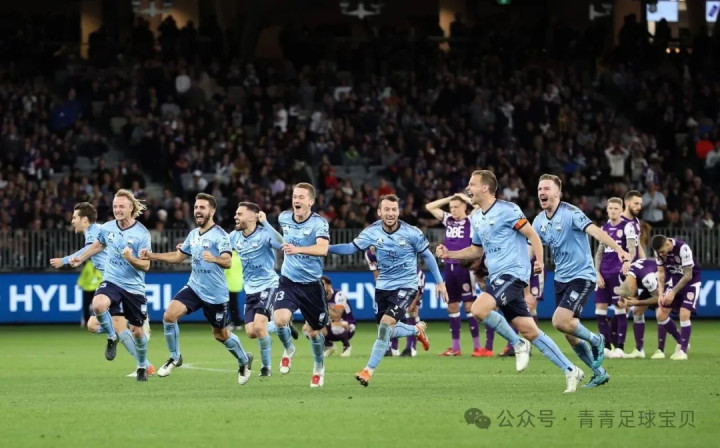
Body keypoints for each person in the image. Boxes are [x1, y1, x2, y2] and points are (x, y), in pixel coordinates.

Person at [437, 170, 585, 393]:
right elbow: (476, 250)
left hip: (514, 274)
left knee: (478, 309)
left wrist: (540, 261)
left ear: (485, 187)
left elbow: (533, 235)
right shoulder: (476, 218)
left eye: (472, 184)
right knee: (531, 331)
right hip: (498, 277)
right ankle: (571, 369)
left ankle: (517, 343)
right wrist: (451, 254)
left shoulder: (508, 210)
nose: (468, 188)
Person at [328, 194, 447, 386]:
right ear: (379, 212)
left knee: (385, 325)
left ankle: (367, 371)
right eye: (386, 210)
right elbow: (350, 248)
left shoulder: (412, 232)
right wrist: (325, 248)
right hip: (383, 287)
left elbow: (428, 256)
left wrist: (440, 282)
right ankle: (416, 330)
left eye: (394, 210)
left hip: (406, 285)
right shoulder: (372, 232)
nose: (390, 213)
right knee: (385, 332)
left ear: (398, 212)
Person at [141, 193, 254, 384]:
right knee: (169, 316)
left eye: (202, 207)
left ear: (212, 211)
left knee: (220, 334)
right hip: (194, 287)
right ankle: (175, 357)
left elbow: (227, 261)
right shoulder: (193, 234)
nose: (198, 211)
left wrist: (214, 258)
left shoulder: (221, 235)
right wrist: (152, 256)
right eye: (196, 207)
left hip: (215, 294)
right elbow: (178, 257)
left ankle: (244, 360)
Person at [533, 174, 632, 388]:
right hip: (560, 279)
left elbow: (595, 231)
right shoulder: (539, 221)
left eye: (547, 188)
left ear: (558, 192)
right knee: (569, 332)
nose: (542, 192)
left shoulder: (571, 213)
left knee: (559, 321)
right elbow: (531, 246)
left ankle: (596, 339)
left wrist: (618, 249)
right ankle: (599, 373)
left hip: (581, 275)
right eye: (540, 189)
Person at [69, 190, 154, 381]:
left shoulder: (142, 234)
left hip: (133, 287)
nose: (117, 209)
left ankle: (143, 366)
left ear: (131, 208)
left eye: (121, 206)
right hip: (112, 281)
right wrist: (80, 257)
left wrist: (130, 258)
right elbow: (99, 245)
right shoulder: (107, 228)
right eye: (115, 206)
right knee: (98, 305)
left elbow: (146, 265)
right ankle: (111, 337)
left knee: (138, 333)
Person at [229, 202, 296, 377]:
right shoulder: (234, 237)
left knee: (260, 326)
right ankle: (283, 324)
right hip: (250, 290)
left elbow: (281, 243)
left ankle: (266, 367)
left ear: (252, 217)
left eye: (239, 214)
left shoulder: (264, 234)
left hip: (269, 285)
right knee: (251, 332)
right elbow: (217, 246)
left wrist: (265, 223)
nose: (236, 216)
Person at [275, 183, 331, 388]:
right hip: (289, 281)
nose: (296, 200)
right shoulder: (284, 218)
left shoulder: (319, 223)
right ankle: (289, 349)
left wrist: (297, 249)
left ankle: (318, 367)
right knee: (280, 319)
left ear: (311, 201)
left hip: (311, 286)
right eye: (294, 196)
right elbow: (278, 238)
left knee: (314, 332)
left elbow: (323, 249)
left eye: (301, 197)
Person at [425, 194, 486, 357]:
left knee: (469, 305)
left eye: (456, 206)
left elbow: (480, 206)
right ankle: (455, 347)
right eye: (451, 207)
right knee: (452, 305)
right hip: (449, 266)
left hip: (465, 266)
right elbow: (429, 207)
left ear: (464, 207)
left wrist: (464, 198)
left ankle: (477, 347)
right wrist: (450, 198)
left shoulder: (471, 219)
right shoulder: (448, 220)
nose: (452, 210)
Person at [593, 197, 638, 358]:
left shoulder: (627, 226)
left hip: (618, 273)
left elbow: (632, 249)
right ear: (607, 210)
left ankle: (620, 347)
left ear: (621, 210)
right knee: (600, 309)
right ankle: (606, 346)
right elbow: (599, 253)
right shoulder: (604, 228)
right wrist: (597, 272)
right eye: (610, 208)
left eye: (616, 209)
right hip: (603, 273)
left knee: (620, 307)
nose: (613, 211)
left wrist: (627, 262)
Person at [365, 247, 424, 357]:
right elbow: (377, 277)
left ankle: (411, 347)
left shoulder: (392, 247)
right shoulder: (369, 254)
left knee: (411, 310)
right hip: (390, 283)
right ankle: (392, 347)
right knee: (389, 314)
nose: (372, 248)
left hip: (411, 277)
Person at [650, 235, 701, 360]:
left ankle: (683, 351)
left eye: (662, 251)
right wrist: (660, 294)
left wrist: (672, 292)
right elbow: (661, 273)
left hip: (691, 284)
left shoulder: (683, 248)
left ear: (668, 244)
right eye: (659, 252)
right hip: (674, 283)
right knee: (661, 313)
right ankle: (681, 340)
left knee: (684, 313)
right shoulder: (659, 253)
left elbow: (688, 275)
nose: (661, 254)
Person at [613, 258, 665, 359]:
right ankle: (639, 350)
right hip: (646, 282)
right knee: (637, 312)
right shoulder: (623, 275)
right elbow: (628, 290)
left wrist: (637, 302)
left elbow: (658, 298)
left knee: (661, 312)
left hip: (662, 281)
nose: (629, 296)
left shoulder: (647, 278)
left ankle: (662, 349)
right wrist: (623, 300)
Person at [621, 190, 647, 359]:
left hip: (636, 271)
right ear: (627, 202)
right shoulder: (618, 221)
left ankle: (639, 349)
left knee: (637, 309)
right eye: (636, 203)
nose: (639, 207)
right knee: (623, 307)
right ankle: (618, 346)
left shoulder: (636, 222)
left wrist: (644, 265)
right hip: (622, 270)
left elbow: (638, 246)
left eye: (640, 204)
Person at [321, 276, 355, 358]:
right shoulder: (318, 298)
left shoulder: (339, 295)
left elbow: (337, 316)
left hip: (347, 323)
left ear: (329, 286)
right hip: (330, 324)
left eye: (322, 284)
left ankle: (347, 346)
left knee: (335, 326)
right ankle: (329, 345)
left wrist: (324, 305)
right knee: (309, 328)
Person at [225, 250, 244, 330]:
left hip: (229, 285)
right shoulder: (239, 258)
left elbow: (225, 272)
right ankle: (237, 323)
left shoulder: (228, 259)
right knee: (234, 305)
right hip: (237, 284)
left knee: (230, 305)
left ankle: (233, 323)